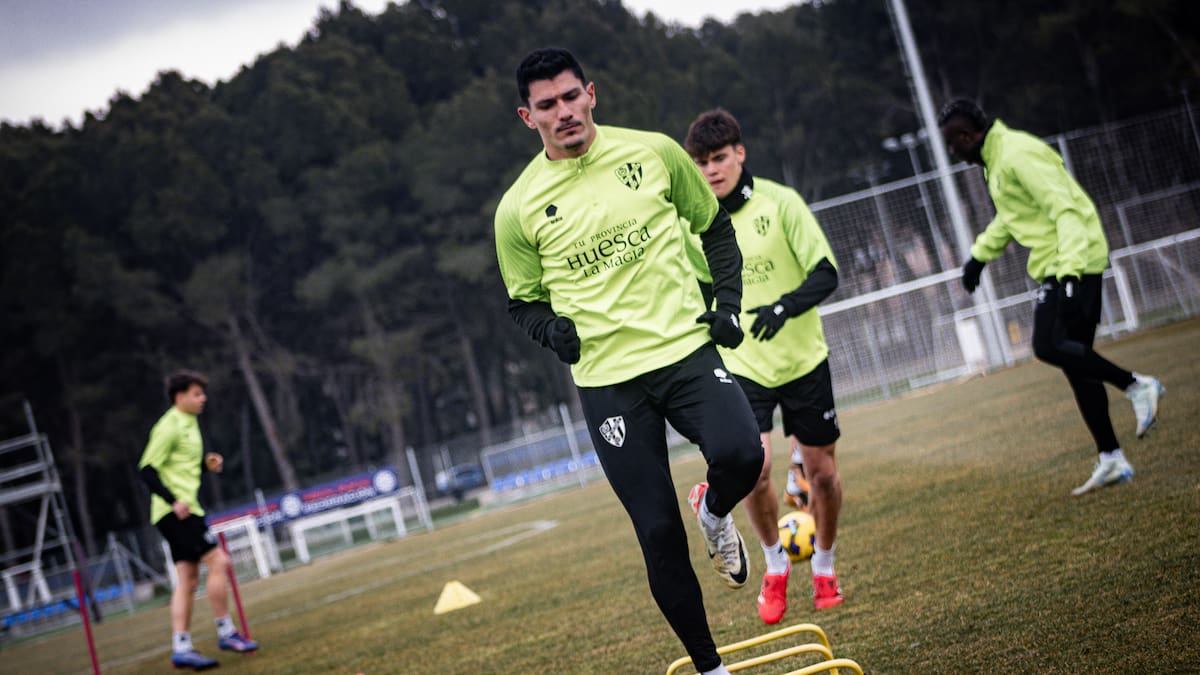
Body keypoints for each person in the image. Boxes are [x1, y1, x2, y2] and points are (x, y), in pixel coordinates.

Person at [494, 48, 764, 675]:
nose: (562, 112)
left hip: (684, 350)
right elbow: (522, 303)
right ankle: (710, 668)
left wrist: (727, 303)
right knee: (658, 535)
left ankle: (716, 511)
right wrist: (549, 331)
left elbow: (715, 229)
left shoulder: (655, 152)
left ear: (591, 93)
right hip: (609, 385)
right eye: (546, 105)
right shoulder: (517, 208)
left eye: (569, 97)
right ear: (525, 117)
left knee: (744, 454)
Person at [938, 99, 1165, 496]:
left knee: (1047, 344)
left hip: (1074, 260)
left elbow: (1066, 210)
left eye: (952, 146)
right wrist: (979, 257)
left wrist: (1073, 272)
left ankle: (1136, 386)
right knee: (1076, 362)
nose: (952, 155)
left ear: (966, 136)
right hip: (1059, 263)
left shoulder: (1017, 154)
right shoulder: (997, 161)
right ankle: (1112, 458)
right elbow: (1012, 217)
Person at [684, 109, 846, 625]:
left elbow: (827, 273)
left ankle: (823, 564)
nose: (711, 170)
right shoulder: (697, 226)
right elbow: (699, 291)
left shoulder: (781, 203)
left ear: (740, 153)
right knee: (755, 472)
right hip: (744, 365)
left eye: (719, 158)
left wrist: (783, 308)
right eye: (701, 162)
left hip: (802, 360)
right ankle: (775, 566)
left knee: (821, 476)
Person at [138, 370, 258, 670]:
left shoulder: (190, 422)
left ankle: (182, 647)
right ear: (180, 397)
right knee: (219, 562)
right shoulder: (169, 426)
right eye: (197, 394)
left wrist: (205, 466)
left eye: (202, 393)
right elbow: (147, 469)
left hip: (186, 510)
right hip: (176, 513)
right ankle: (226, 632)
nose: (203, 398)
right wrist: (173, 501)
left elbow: (178, 468)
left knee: (188, 579)